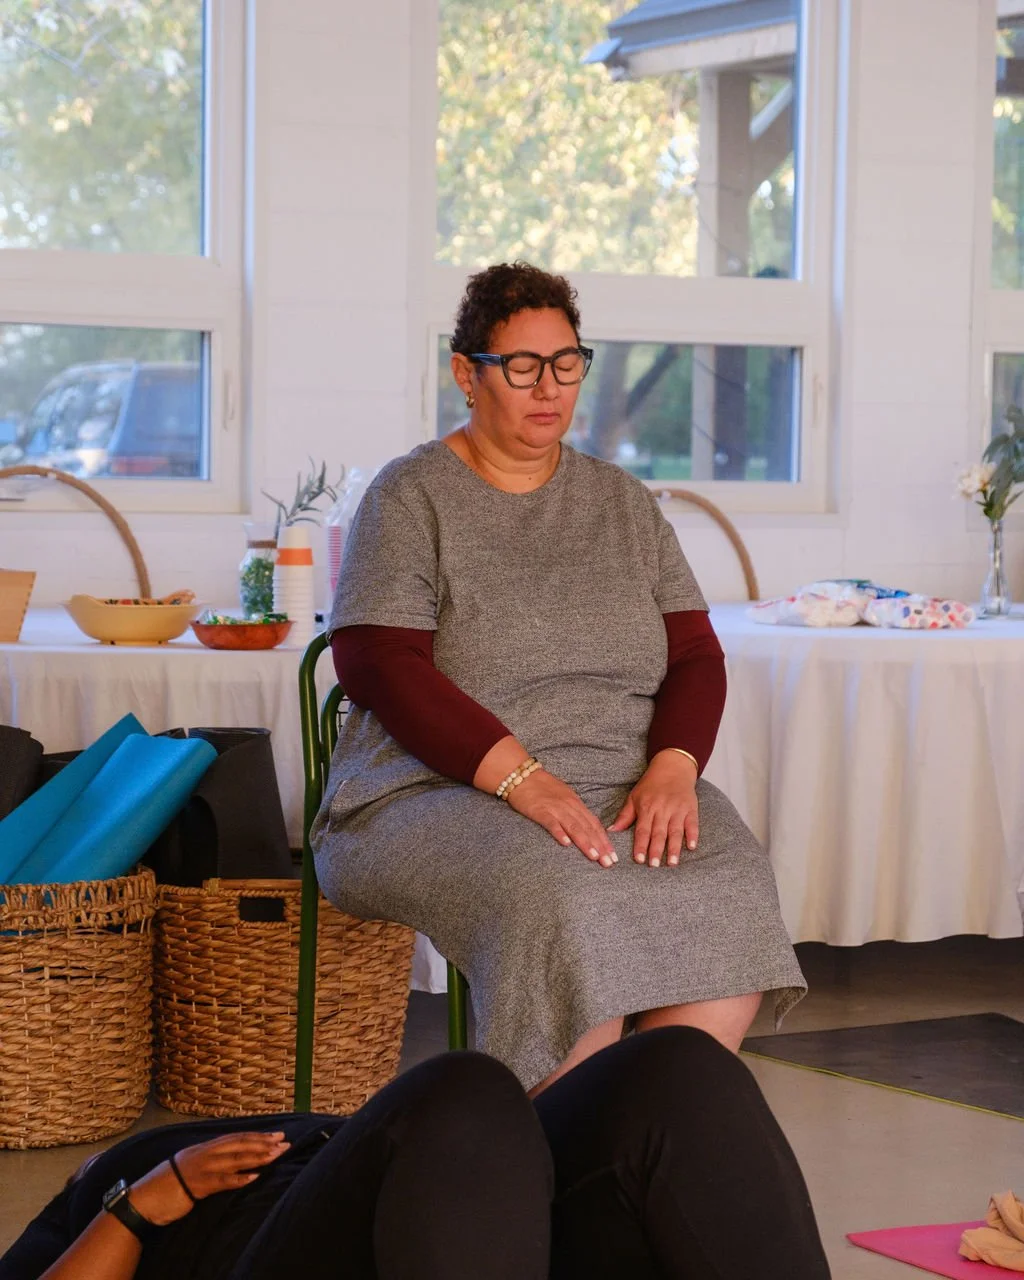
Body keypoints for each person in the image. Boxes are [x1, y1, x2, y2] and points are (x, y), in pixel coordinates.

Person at [311, 260, 806, 1095]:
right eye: (522, 366)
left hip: (614, 778)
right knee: (569, 894)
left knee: (727, 872)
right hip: (426, 791)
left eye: (567, 362)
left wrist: (675, 766)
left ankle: (649, 1130)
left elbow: (693, 655)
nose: (550, 387)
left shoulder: (622, 502)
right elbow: (376, 663)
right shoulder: (411, 496)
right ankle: (554, 1154)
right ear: (467, 374)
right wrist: (523, 779)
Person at [0, 1030, 832, 1279]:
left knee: (674, 1067)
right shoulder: (114, 1204)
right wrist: (147, 1198)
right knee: (463, 1091)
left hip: (438, 1219)